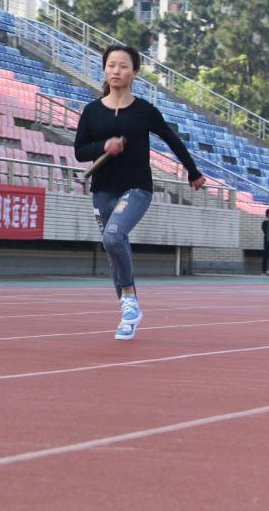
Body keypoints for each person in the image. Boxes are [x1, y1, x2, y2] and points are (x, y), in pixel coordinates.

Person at [74, 45, 206, 341]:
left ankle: (130, 297)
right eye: (111, 65)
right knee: (113, 248)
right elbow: (80, 151)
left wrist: (193, 172)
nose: (116, 71)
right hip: (102, 190)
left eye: (123, 66)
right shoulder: (92, 111)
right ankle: (127, 314)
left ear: (134, 72)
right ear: (104, 69)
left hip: (137, 188)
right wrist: (104, 146)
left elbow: (173, 140)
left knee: (113, 236)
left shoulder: (144, 111)